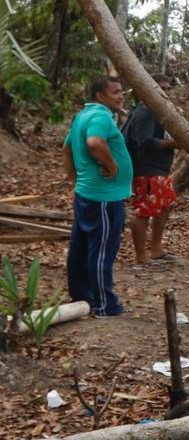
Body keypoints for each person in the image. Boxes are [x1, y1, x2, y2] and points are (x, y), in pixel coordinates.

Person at [62, 76, 132, 317]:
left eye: (121, 90)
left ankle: (82, 297)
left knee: (81, 246)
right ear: (101, 96)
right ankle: (105, 305)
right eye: (116, 92)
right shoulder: (101, 116)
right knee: (101, 249)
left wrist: (75, 178)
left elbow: (68, 147)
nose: (121, 95)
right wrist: (112, 165)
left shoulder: (81, 116)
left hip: (88, 192)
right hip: (104, 196)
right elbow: (94, 142)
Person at [123, 74, 179, 270]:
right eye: (160, 88)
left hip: (160, 170)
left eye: (168, 88)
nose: (165, 92)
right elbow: (145, 142)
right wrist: (175, 143)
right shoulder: (146, 109)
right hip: (147, 170)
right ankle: (141, 257)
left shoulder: (157, 110)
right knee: (144, 211)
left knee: (164, 207)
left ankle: (156, 249)